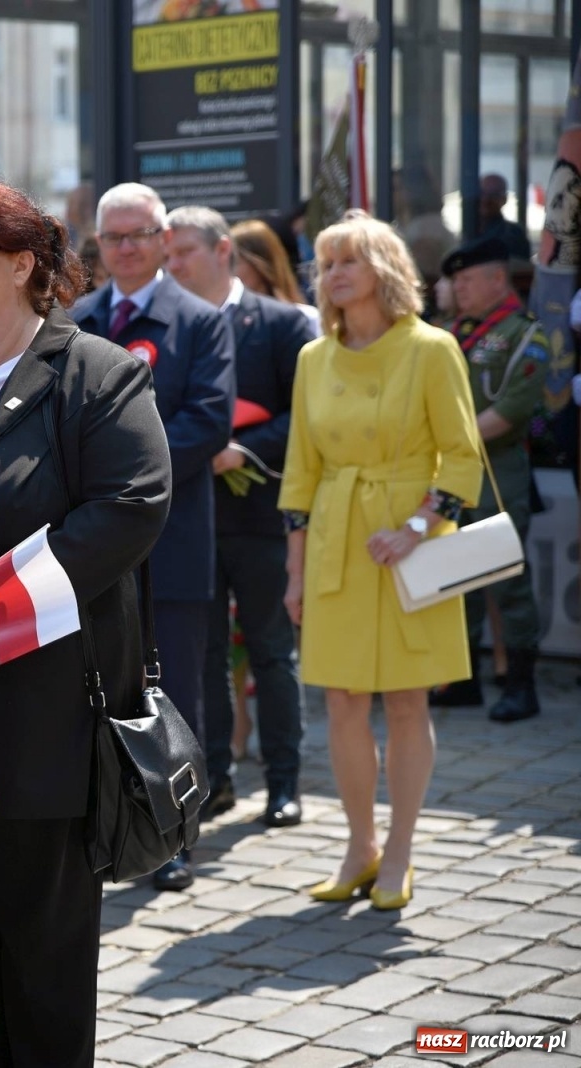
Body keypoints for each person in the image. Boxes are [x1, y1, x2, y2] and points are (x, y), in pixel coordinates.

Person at [0, 168, 170, 1068]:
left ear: (23, 263)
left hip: (44, 725)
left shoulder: (94, 372)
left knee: (43, 968)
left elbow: (131, 507)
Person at [280, 211, 482, 911]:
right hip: (337, 541)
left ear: (384, 272)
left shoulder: (430, 349)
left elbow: (461, 456)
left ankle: (400, 851)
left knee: (405, 699)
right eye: (326, 263)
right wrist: (295, 571)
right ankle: (358, 844)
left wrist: (418, 525)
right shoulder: (313, 358)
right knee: (339, 700)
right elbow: (300, 470)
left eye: (347, 261)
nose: (332, 273)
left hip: (411, 545)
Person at [72, 182, 234, 891]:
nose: (127, 248)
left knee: (178, 692)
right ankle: (101, 819)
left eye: (139, 235)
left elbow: (209, 421)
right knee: (96, 683)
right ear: (99, 246)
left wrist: (126, 468)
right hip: (89, 545)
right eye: (114, 237)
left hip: (171, 538)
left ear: (165, 240)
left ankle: (171, 834)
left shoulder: (199, 321)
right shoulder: (77, 321)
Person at [167, 206, 315, 828]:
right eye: (166, 255)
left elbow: (307, 419)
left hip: (258, 514)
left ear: (223, 250)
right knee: (200, 660)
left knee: (271, 651)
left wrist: (243, 451)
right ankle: (215, 781)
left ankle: (284, 784)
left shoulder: (281, 324)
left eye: (184, 254)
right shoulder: (164, 326)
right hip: (188, 520)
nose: (172, 266)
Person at [428, 235, 548, 723]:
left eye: (467, 279)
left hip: (499, 470)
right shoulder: (451, 335)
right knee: (459, 577)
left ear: (498, 279)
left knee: (507, 577)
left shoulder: (527, 336)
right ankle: (463, 679)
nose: (458, 287)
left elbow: (512, 409)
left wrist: (444, 442)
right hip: (454, 472)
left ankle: (522, 685)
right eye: (454, 280)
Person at [232, 219, 320, 328]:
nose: (228, 272)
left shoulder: (306, 318)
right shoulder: (224, 321)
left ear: (260, 265)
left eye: (234, 263)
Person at [478, 175, 534, 262]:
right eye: (482, 193)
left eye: (494, 195)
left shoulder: (514, 235)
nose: (485, 199)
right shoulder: (468, 229)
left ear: (504, 199)